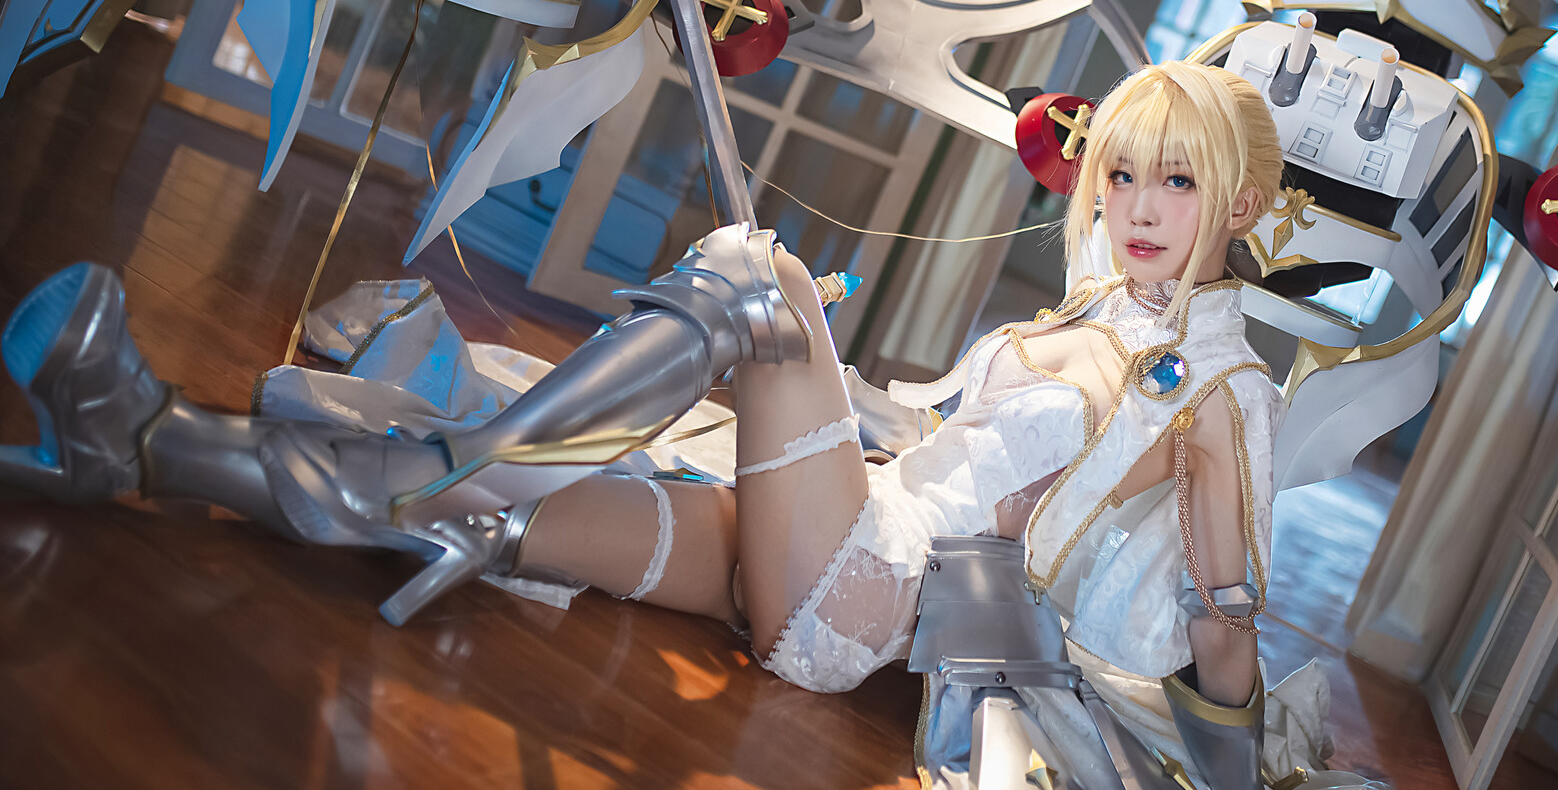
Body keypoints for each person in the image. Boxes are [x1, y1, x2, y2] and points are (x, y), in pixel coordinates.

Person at [0, 60, 1287, 788]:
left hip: (871, 594)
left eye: (1177, 180)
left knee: (761, 274)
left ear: (1239, 207)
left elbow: (1222, 637)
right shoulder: (1084, 319)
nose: (1137, 205)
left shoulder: (1221, 392)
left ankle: (459, 457)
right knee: (500, 520)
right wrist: (820, 410)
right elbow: (955, 458)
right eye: (1123, 172)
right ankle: (149, 438)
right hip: (809, 537)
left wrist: (1223, 753)